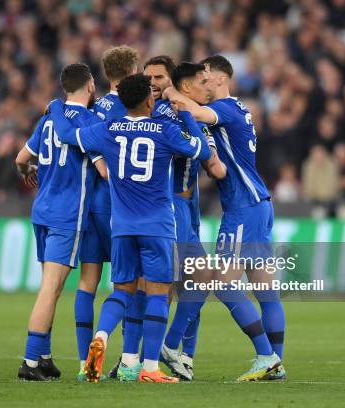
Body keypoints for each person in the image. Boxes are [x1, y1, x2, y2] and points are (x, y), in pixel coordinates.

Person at [48, 73, 211, 383]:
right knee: (158, 294)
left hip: (121, 226)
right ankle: (149, 367)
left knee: (122, 290)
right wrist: (189, 118)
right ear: (150, 100)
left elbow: (69, 135)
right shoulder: (164, 130)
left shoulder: (109, 129)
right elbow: (202, 151)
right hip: (158, 226)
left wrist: (56, 107)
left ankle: (101, 336)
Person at [164, 55, 284, 381]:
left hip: (243, 208)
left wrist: (170, 92)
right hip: (259, 203)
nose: (203, 84)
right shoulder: (236, 111)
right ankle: (276, 363)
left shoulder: (226, 109)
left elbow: (193, 110)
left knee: (221, 282)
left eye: (206, 78)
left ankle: (265, 355)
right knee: (266, 291)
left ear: (219, 78)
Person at [14, 63, 107, 381]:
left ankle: (44, 357)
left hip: (41, 212)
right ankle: (29, 363)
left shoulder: (48, 119)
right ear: (91, 85)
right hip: (67, 217)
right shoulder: (91, 123)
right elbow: (104, 170)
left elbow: (21, 159)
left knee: (49, 289)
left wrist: (30, 173)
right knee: (51, 289)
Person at [145, 59, 226, 381]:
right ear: (188, 86)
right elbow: (212, 164)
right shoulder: (173, 113)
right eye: (204, 83)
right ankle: (166, 347)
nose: (211, 88)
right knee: (199, 279)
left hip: (186, 207)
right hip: (171, 206)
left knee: (188, 284)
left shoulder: (180, 109)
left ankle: (181, 356)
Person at [77, 45, 139, 382]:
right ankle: (129, 361)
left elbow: (83, 141)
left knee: (87, 282)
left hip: (91, 205)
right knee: (130, 282)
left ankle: (81, 358)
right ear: (132, 72)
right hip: (120, 204)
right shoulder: (131, 107)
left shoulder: (94, 106)